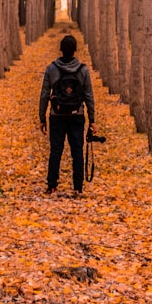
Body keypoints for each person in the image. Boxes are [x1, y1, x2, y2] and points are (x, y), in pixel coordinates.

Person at [39, 34, 95, 197]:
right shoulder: (83, 70)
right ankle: (77, 188)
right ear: (75, 50)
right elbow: (89, 95)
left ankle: (52, 186)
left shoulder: (51, 69)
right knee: (77, 150)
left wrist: (42, 117)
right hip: (76, 115)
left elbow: (44, 94)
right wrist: (92, 120)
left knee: (56, 150)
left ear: (61, 50)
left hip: (56, 115)